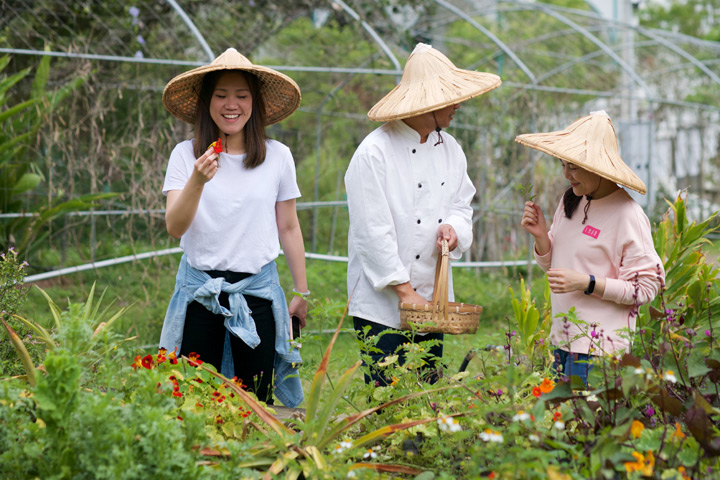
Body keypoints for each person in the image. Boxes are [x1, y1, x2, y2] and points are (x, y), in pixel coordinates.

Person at [158, 48, 309, 407]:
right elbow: (175, 227)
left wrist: (302, 290)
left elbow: (288, 227)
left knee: (256, 401)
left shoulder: (278, 156)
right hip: (201, 294)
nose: (232, 105)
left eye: (241, 95)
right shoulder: (185, 155)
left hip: (257, 293)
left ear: (255, 103)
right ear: (207, 102)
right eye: (221, 95)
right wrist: (197, 180)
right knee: (197, 400)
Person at [345, 43, 501, 386]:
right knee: (387, 397)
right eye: (450, 97)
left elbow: (462, 204)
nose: (458, 104)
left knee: (424, 394)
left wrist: (454, 228)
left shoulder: (452, 150)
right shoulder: (374, 153)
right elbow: (372, 231)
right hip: (381, 302)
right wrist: (404, 291)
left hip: (433, 300)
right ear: (426, 102)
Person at [517, 110, 665, 385]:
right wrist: (541, 237)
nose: (566, 174)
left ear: (598, 166)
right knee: (561, 426)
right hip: (563, 342)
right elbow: (557, 267)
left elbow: (646, 289)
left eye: (573, 167)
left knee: (588, 426)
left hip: (600, 351)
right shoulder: (572, 200)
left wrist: (588, 283)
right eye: (563, 165)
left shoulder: (627, 214)